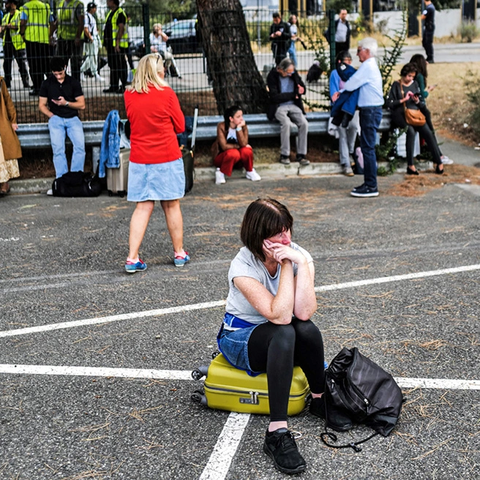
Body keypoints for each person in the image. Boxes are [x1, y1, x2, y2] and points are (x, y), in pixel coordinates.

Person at [217, 198, 326, 475]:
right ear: (259, 236)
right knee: (284, 333)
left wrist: (297, 260)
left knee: (307, 330)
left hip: (280, 329)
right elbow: (280, 316)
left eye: (287, 229)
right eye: (278, 232)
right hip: (240, 337)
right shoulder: (242, 266)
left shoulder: (299, 254)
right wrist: (289, 265)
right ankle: (277, 432)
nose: (286, 238)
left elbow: (304, 312)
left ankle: (321, 400)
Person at [123, 53, 189, 271]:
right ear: (157, 71)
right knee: (171, 205)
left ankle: (132, 258)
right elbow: (180, 126)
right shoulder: (167, 93)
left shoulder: (129, 95)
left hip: (140, 158)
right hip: (166, 156)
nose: (165, 70)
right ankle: (179, 253)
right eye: (162, 68)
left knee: (142, 207)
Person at [332, 37, 383, 198]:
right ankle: (369, 182)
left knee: (367, 148)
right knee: (367, 147)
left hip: (370, 110)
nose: (357, 53)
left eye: (359, 50)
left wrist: (342, 91)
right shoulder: (369, 66)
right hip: (371, 110)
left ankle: (371, 185)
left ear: (367, 51)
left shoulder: (367, 67)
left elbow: (351, 83)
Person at [386, 63, 444, 175]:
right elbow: (390, 103)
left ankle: (438, 161)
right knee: (410, 131)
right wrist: (403, 100)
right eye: (409, 76)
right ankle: (410, 164)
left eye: (412, 76)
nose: (410, 79)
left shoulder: (415, 84)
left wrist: (416, 100)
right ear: (403, 74)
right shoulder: (396, 85)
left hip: (415, 113)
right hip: (401, 114)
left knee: (427, 132)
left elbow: (421, 104)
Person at [39, 57, 86, 183]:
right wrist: (51, 115)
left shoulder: (73, 82)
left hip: (72, 118)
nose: (58, 77)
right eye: (56, 74)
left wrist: (66, 103)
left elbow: (81, 104)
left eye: (60, 73)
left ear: (65, 68)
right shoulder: (47, 83)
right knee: (58, 149)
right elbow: (41, 104)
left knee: (80, 147)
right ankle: (62, 180)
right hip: (56, 119)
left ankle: (76, 177)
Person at [409, 53, 453, 164]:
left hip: (412, 108)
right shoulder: (420, 76)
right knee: (430, 132)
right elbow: (422, 94)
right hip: (421, 107)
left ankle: (432, 153)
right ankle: (439, 155)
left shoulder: (411, 75)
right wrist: (429, 90)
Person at [267, 58, 309, 166]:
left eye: (292, 72)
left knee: (304, 123)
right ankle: (285, 154)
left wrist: (301, 90)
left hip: (293, 105)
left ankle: (301, 154)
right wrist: (293, 95)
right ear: (280, 69)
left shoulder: (293, 74)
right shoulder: (272, 76)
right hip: (279, 106)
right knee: (286, 124)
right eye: (288, 72)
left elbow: (302, 87)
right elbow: (275, 97)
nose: (290, 74)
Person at [212, 105, 261, 185]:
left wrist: (239, 129)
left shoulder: (243, 125)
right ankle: (220, 173)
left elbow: (244, 143)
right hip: (222, 157)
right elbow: (224, 146)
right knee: (234, 153)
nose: (241, 119)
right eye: (238, 117)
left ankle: (250, 171)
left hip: (238, 159)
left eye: (242, 116)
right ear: (231, 119)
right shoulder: (221, 126)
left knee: (247, 151)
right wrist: (238, 147)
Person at [329, 51, 358, 176]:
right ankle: (346, 163)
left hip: (352, 107)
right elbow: (334, 94)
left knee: (354, 127)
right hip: (341, 108)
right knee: (343, 132)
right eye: (347, 61)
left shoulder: (353, 73)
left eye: (350, 61)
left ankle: (350, 151)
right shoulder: (335, 74)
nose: (349, 64)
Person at [20, 0, 53, 96]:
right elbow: (52, 23)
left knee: (34, 65)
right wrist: (49, 36)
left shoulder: (26, 7)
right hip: (44, 40)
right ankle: (53, 86)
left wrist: (22, 34)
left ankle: (38, 88)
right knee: (45, 65)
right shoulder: (46, 7)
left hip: (31, 40)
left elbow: (23, 22)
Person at [1, 0, 30, 89]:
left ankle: (25, 82)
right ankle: (7, 82)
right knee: (7, 64)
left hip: (18, 43)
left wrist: (10, 26)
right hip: (7, 43)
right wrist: (3, 28)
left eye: (7, 3)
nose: (6, 5)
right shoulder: (6, 16)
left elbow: (21, 25)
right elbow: (2, 26)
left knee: (21, 63)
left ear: (12, 4)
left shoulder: (19, 14)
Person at [53, 0, 84, 83]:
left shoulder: (77, 5)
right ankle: (62, 84)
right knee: (60, 63)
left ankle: (75, 84)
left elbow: (81, 22)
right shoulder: (60, 3)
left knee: (75, 63)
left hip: (73, 39)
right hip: (62, 38)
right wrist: (52, 33)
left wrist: (78, 37)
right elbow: (58, 21)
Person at [0, 76, 22, 195]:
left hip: (1, 121)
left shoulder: (0, 81)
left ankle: (4, 182)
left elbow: (7, 100)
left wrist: (13, 120)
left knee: (3, 149)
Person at [103, 0, 128, 94]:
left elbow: (121, 28)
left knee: (120, 65)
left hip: (118, 45)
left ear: (113, 2)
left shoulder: (120, 13)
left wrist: (117, 43)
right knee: (113, 65)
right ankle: (114, 86)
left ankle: (124, 86)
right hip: (110, 45)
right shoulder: (110, 13)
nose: (107, 2)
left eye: (108, 1)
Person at [80, 2, 104, 82]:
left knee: (91, 57)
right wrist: (91, 38)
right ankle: (95, 73)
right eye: (95, 8)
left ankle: (82, 70)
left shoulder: (91, 17)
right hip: (91, 40)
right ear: (92, 8)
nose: (96, 9)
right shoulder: (87, 16)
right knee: (93, 57)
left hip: (94, 38)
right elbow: (85, 29)